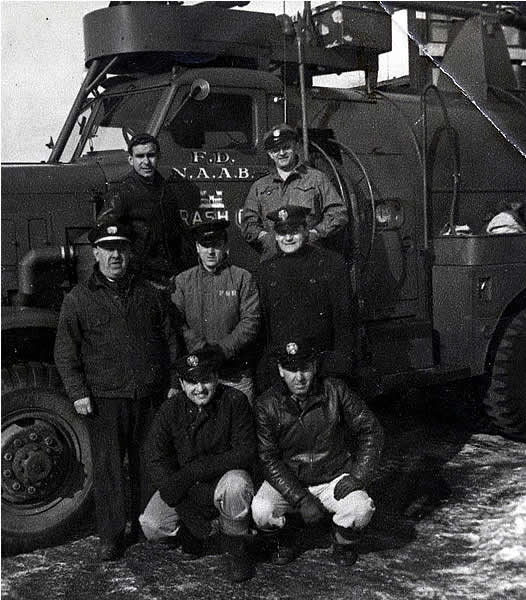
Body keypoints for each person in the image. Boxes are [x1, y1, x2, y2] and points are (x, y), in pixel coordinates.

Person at [54, 221, 180, 561]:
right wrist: (78, 392)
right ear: (95, 253)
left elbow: (170, 341)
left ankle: (145, 524)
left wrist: (171, 385)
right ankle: (110, 534)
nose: (115, 256)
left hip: (148, 396)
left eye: (121, 248)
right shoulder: (78, 299)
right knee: (108, 468)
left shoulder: (149, 293)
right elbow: (66, 352)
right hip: (105, 398)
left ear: (129, 253)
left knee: (147, 462)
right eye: (108, 249)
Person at [251, 340, 384, 567]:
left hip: (332, 477)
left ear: (314, 367)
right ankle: (285, 539)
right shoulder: (266, 403)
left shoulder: (335, 390)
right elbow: (268, 458)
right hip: (290, 480)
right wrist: (301, 499)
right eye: (292, 370)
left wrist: (358, 476)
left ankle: (342, 541)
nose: (299, 377)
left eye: (304, 369)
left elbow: (371, 430)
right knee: (262, 511)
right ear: (281, 371)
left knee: (361, 509)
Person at [139, 348, 256, 583]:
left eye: (205, 380)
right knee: (151, 525)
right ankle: (194, 534)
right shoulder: (170, 409)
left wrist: (194, 471)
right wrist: (183, 507)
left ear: (216, 377)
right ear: (181, 384)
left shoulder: (235, 401)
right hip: (187, 489)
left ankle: (235, 547)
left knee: (237, 485)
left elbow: (245, 452)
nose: (199, 388)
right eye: (192, 382)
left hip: (220, 482)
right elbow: (154, 457)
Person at [257, 204, 357, 388]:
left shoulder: (331, 264)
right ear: (276, 236)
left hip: (322, 367)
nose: (288, 238)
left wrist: (338, 367)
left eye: (294, 231)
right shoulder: (266, 271)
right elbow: (264, 328)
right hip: (283, 370)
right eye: (282, 232)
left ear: (305, 231)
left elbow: (344, 320)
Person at [172, 219, 261, 404]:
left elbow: (250, 321)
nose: (211, 251)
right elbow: (176, 321)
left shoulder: (242, 278)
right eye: (205, 245)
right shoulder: (182, 281)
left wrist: (223, 350)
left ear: (225, 246)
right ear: (197, 247)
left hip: (236, 375)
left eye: (216, 245)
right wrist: (201, 349)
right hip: (198, 377)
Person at [97, 133, 196, 287]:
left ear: (159, 157)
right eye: (140, 156)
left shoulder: (165, 188)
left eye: (151, 155)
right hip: (142, 277)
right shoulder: (124, 192)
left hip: (171, 274)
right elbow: (105, 228)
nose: (146, 162)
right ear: (131, 160)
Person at [241, 123, 348, 261]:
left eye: (286, 147)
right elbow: (248, 224)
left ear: (295, 146)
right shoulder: (259, 186)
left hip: (310, 256)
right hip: (274, 260)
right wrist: (267, 238)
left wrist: (315, 233)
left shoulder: (316, 179)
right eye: (275, 150)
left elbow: (338, 213)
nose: (281, 153)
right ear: (270, 154)